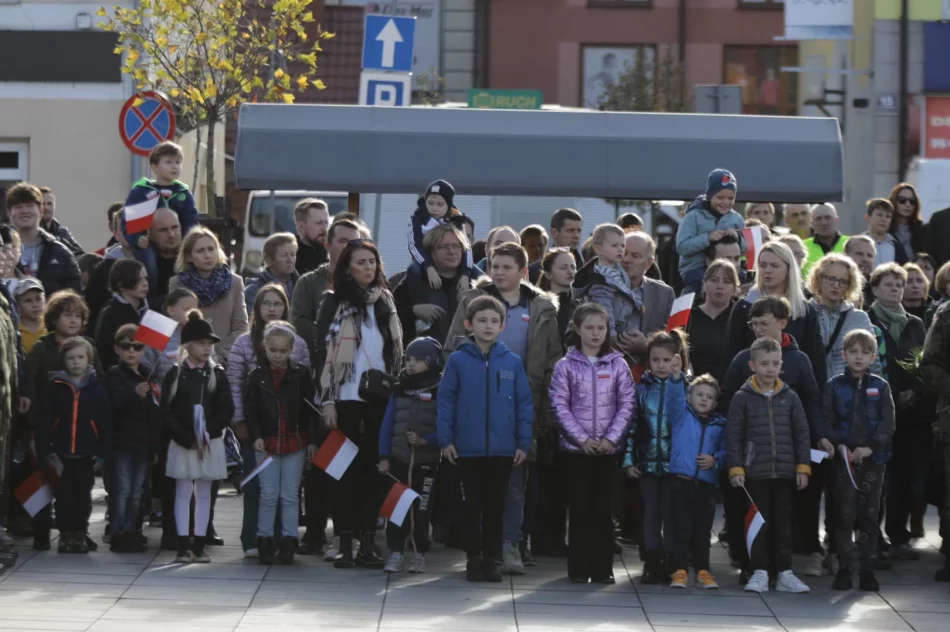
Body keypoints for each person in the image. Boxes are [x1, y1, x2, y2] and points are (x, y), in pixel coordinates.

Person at [443, 242, 561, 573]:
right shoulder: (472, 301)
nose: (498, 272)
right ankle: (478, 551)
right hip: (475, 411)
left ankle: (510, 546)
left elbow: (552, 361)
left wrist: (544, 411)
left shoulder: (541, 308)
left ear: (523, 271)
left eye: (507, 267)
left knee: (515, 484)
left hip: (521, 405)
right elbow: (452, 348)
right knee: (476, 491)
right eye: (494, 265)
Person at [718, 296, 827, 578]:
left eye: (763, 323)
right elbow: (727, 402)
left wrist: (821, 436)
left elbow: (812, 401)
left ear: (782, 322)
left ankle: (786, 566)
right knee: (751, 510)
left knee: (784, 513)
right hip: (752, 454)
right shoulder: (743, 359)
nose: (757, 329)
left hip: (787, 452)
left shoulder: (799, 360)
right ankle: (749, 564)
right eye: (753, 324)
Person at [314, 240, 404, 569]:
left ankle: (367, 542)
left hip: (378, 399)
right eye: (361, 262)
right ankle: (344, 541)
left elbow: (395, 351)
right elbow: (322, 353)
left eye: (372, 261)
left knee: (374, 472)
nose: (368, 267)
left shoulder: (386, 301)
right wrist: (327, 400)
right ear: (347, 268)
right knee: (342, 472)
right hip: (343, 399)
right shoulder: (333, 301)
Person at [437, 295, 533, 582]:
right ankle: (473, 558)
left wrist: (523, 443)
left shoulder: (512, 362)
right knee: (471, 507)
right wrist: (446, 440)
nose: (488, 326)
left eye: (494, 321)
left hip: (502, 449)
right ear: (469, 324)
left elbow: (523, 404)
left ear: (502, 326)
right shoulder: (457, 360)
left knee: (495, 508)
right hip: (467, 449)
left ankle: (493, 558)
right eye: (481, 320)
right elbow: (446, 401)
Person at [549, 303, 635, 584]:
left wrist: (611, 439)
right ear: (577, 329)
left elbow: (627, 404)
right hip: (577, 451)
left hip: (608, 451)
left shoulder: (618, 364)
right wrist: (582, 439)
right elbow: (559, 405)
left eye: (601, 328)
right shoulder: (565, 366)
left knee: (603, 509)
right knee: (579, 508)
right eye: (589, 327)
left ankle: (602, 568)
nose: (596, 333)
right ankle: (578, 567)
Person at [227, 283, 309, 559]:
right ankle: (255, 539)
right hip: (258, 429)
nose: (272, 308)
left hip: (290, 433)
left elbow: (305, 395)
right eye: (266, 303)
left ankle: (284, 540)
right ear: (257, 307)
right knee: (259, 489)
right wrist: (240, 420)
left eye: (278, 303)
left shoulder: (299, 347)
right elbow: (236, 385)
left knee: (288, 493)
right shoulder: (244, 344)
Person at [727, 337, 813, 594]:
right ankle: (759, 571)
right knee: (758, 524)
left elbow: (802, 433)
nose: (770, 368)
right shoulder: (742, 398)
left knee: (784, 525)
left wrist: (803, 466)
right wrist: (736, 468)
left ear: (781, 365)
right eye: (764, 363)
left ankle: (785, 572)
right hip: (755, 473)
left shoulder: (791, 397)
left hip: (785, 473)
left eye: (775, 363)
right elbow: (733, 436)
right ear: (752, 365)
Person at [865, 263, 928, 563]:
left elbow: (924, 362)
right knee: (876, 477)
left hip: (910, 413)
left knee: (904, 477)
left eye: (899, 285)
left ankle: (898, 536)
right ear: (875, 288)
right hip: (876, 411)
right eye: (889, 284)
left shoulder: (915, 324)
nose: (896, 289)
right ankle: (872, 538)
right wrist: (889, 394)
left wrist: (913, 391)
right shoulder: (866, 320)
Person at [161, 310, 234, 564]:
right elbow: (166, 410)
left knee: (204, 492)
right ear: (188, 345)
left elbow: (227, 409)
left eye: (209, 344)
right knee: (183, 491)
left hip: (209, 443)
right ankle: (182, 544)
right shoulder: (175, 373)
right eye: (201, 343)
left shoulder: (217, 374)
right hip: (183, 442)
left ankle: (200, 544)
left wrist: (207, 433)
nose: (207, 348)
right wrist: (185, 436)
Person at [824, 329, 895, 592]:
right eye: (853, 352)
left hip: (873, 460)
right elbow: (826, 419)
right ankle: (845, 568)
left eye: (865, 353)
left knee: (869, 515)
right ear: (844, 355)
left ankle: (867, 568)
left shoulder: (881, 386)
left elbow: (888, 422)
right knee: (844, 514)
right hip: (843, 460)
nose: (858, 357)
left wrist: (870, 448)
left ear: (873, 357)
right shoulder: (834, 386)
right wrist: (838, 445)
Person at [245, 321, 317, 566]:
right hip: (267, 442)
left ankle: (289, 541)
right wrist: (256, 435)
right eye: (273, 350)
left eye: (283, 351)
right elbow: (251, 410)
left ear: (291, 350)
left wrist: (312, 441)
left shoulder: (301, 375)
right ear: (265, 347)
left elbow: (310, 411)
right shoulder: (256, 377)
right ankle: (264, 539)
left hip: (295, 441)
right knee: (268, 494)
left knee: (290, 494)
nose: (277, 355)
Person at [623, 330, 689, 584]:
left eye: (667, 360)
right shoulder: (640, 390)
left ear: (677, 360)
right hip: (647, 464)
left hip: (675, 465)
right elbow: (631, 428)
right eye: (655, 360)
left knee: (670, 513)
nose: (661, 365)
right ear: (648, 361)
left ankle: (671, 561)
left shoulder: (685, 388)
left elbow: (686, 422)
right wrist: (628, 460)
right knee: (651, 513)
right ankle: (651, 561)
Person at [35, 337, 112, 553]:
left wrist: (102, 452)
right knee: (63, 496)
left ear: (89, 360)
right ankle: (65, 534)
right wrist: (46, 449)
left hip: (86, 454)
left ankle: (80, 532)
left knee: (83, 496)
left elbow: (105, 423)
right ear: (63, 361)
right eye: (70, 358)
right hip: (61, 454)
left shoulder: (97, 389)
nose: (76, 362)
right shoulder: (55, 387)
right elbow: (45, 420)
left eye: (80, 357)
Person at [378, 336, 444, 574]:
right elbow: (387, 425)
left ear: (431, 362)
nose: (411, 364)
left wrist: (427, 440)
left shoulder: (440, 390)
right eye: (408, 359)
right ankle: (395, 552)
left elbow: (447, 426)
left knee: (422, 509)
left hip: (426, 461)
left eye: (418, 359)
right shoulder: (399, 389)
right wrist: (384, 456)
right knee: (396, 508)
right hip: (398, 460)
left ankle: (419, 552)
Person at [721, 241, 826, 388]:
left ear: (788, 269)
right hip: (750, 390)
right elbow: (730, 355)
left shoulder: (805, 310)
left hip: (793, 392)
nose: (767, 271)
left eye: (774, 266)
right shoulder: (744, 307)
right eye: (763, 265)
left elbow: (816, 359)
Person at [103, 324, 160, 553]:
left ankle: (133, 529)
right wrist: (134, 394)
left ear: (144, 350)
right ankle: (118, 530)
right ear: (117, 349)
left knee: (138, 491)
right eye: (126, 346)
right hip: (122, 442)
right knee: (123, 488)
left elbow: (154, 414)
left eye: (137, 346)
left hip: (143, 443)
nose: (131, 351)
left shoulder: (148, 373)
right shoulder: (114, 374)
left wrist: (155, 446)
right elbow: (113, 405)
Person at [669, 374, 727, 590]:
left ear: (715, 403)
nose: (704, 399)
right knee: (681, 529)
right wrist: (676, 378)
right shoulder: (681, 415)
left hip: (706, 485)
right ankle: (679, 570)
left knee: (703, 530)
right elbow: (674, 399)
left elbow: (726, 450)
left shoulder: (720, 425)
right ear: (689, 397)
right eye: (700, 394)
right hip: (682, 481)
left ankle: (703, 570)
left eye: (709, 397)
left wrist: (715, 460)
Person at [123, 142, 199, 289]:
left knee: (189, 261)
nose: (174, 166)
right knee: (148, 260)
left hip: (177, 242)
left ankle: (186, 291)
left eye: (178, 162)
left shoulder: (183, 193)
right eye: (168, 162)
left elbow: (191, 220)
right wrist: (137, 238)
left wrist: (187, 239)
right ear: (154, 167)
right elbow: (129, 221)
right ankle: (150, 291)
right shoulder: (142, 191)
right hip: (149, 242)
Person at [169, 226, 249, 363]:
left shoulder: (234, 282)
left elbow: (241, 327)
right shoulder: (177, 283)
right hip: (190, 360)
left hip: (226, 359)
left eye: (211, 249)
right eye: (200, 251)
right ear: (188, 257)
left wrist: (220, 355)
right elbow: (175, 327)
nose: (207, 255)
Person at [292, 219, 364, 365]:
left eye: (354, 243)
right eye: (343, 241)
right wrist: (333, 340)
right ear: (328, 245)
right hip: (319, 361)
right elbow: (300, 322)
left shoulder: (367, 283)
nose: (349, 247)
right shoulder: (308, 282)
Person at [393, 224, 476, 344]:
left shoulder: (472, 282)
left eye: (456, 246)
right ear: (431, 251)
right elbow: (390, 314)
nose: (451, 252)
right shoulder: (414, 281)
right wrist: (414, 311)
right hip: (423, 353)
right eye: (444, 247)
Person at [676, 168, 745, 292]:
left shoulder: (736, 219)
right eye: (720, 197)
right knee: (709, 286)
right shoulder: (693, 216)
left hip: (728, 267)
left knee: (744, 281)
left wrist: (738, 238)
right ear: (710, 196)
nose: (726, 202)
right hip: (695, 268)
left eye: (731, 198)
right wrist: (707, 238)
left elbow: (747, 249)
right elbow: (682, 247)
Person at [406, 180, 473, 307]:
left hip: (454, 262)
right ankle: (418, 305)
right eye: (430, 203)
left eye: (440, 204)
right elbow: (414, 246)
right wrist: (428, 266)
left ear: (448, 205)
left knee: (479, 274)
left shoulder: (457, 219)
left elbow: (467, 248)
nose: (434, 208)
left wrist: (465, 274)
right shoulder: (416, 218)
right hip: (423, 259)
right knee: (413, 270)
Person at [612, 232, 676, 365]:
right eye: (624, 253)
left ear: (649, 263)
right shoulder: (598, 288)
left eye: (635, 256)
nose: (626, 259)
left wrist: (647, 345)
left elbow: (674, 343)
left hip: (647, 371)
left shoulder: (664, 294)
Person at [6, 183, 81, 294]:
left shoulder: (60, 253)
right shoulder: (2, 250)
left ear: (41, 211)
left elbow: (74, 297)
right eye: (18, 206)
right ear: (9, 213)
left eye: (30, 205)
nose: (24, 211)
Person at [574, 223, 639, 339]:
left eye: (623, 245)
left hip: (624, 324)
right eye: (614, 245)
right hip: (609, 331)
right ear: (598, 249)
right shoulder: (599, 278)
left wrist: (637, 302)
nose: (620, 249)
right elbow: (604, 310)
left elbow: (626, 290)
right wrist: (610, 334)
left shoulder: (618, 270)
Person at [687, 260, 739, 382]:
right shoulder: (689, 316)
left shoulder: (739, 317)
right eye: (714, 280)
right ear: (704, 284)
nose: (720, 286)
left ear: (735, 289)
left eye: (727, 281)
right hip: (692, 384)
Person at [95, 259, 150, 371]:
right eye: (138, 279)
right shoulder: (110, 313)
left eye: (146, 278)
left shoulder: (149, 310)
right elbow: (103, 352)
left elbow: (154, 350)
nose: (145, 284)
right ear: (121, 284)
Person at [244, 232, 300, 315]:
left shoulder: (303, 287)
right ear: (269, 260)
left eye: (293, 254)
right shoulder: (253, 291)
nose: (290, 260)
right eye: (284, 255)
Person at [527, 208, 585, 282]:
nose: (576, 236)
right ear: (554, 233)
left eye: (579, 231)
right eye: (570, 230)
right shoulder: (534, 271)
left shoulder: (587, 270)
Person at [537, 248, 578, 345]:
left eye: (573, 267)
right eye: (563, 268)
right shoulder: (538, 305)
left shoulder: (580, 306)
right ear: (548, 275)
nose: (570, 271)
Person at [803, 204, 847, 276]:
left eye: (828, 217)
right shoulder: (803, 247)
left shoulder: (851, 243)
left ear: (836, 220)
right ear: (812, 224)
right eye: (818, 219)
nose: (824, 223)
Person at [38, 186, 83, 255]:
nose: (46, 207)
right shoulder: (30, 232)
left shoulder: (63, 233)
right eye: (42, 204)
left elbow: (80, 254)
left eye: (49, 204)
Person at [888, 182, 926, 262]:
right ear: (893, 202)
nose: (908, 204)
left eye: (912, 201)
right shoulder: (887, 228)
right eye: (902, 200)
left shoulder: (921, 230)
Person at [864, 198, 906, 267]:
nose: (884, 219)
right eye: (879, 215)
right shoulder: (857, 243)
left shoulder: (897, 246)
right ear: (868, 217)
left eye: (888, 216)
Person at [293, 198, 330, 275]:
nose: (325, 228)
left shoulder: (333, 252)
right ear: (301, 226)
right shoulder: (289, 256)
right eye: (319, 223)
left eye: (326, 223)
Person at [844, 234, 877, 309]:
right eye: (859, 254)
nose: (865, 259)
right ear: (845, 256)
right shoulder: (835, 285)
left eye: (869, 255)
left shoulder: (879, 286)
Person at [14, 278, 45, 353]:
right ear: (18, 305)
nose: (35, 305)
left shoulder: (52, 325)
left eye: (38, 299)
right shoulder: (14, 330)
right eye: (28, 300)